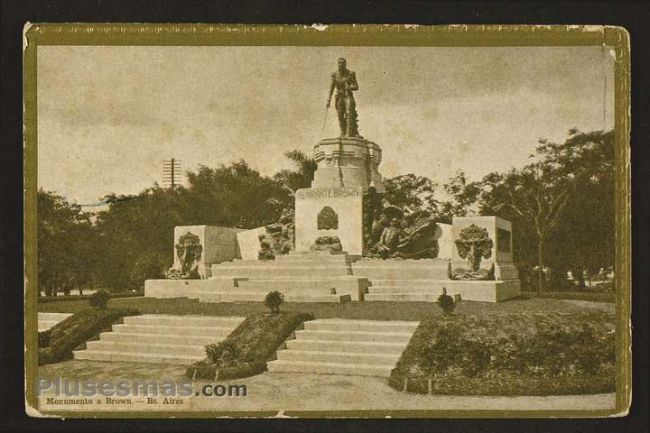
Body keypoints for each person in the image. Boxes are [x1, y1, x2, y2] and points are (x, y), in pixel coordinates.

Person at [326, 57, 360, 137]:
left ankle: (348, 133)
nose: (340, 64)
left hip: (348, 95)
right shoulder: (335, 75)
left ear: (345, 64)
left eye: (342, 63)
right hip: (339, 97)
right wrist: (328, 100)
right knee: (340, 115)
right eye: (339, 63)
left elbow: (356, 86)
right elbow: (331, 87)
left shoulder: (350, 74)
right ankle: (342, 132)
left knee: (348, 114)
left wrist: (350, 88)